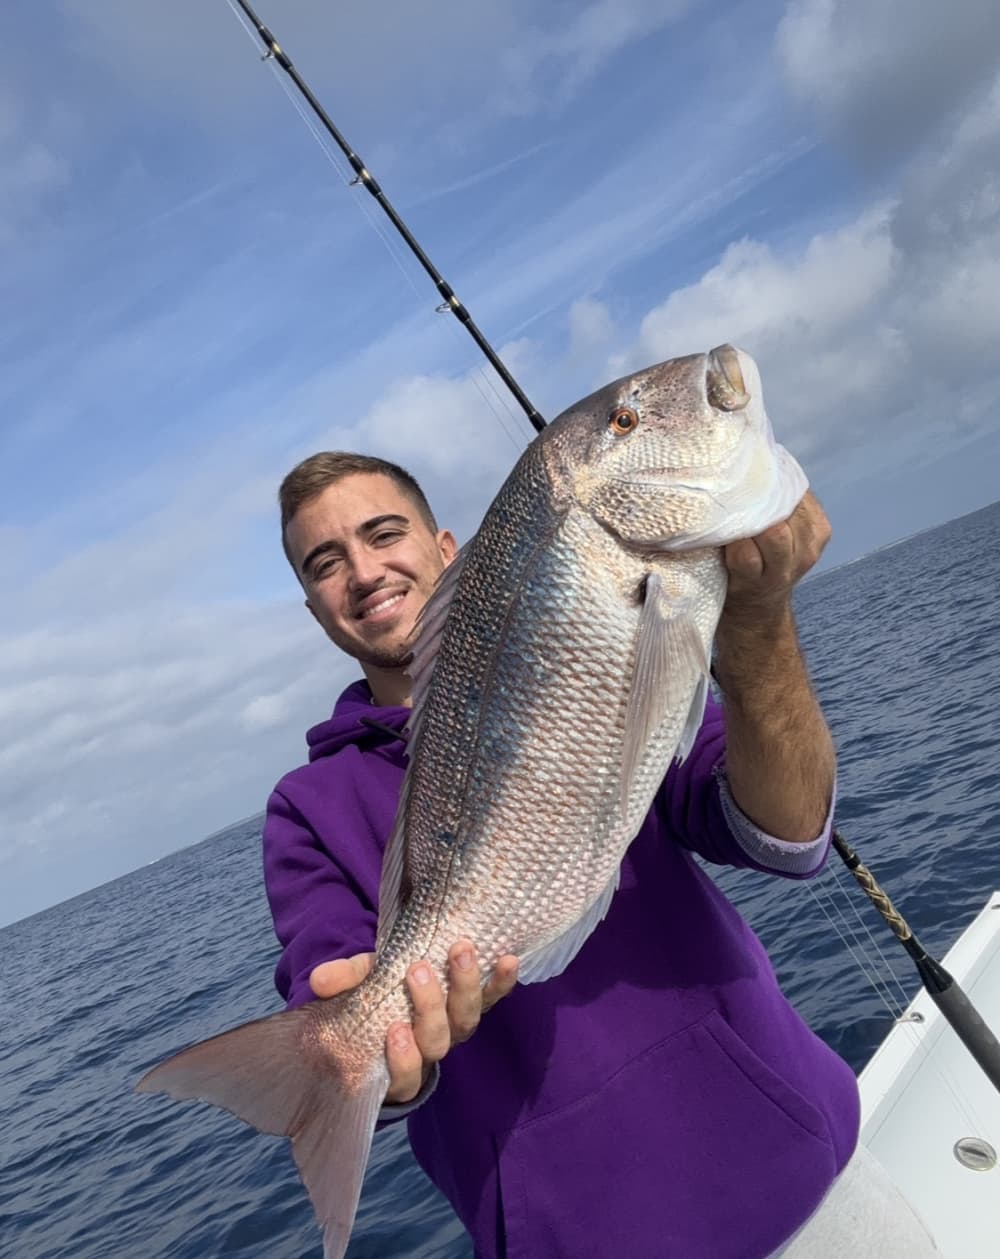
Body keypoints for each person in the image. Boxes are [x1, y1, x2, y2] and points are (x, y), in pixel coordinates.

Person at [263, 451, 938, 1258]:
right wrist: (370, 1053)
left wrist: (759, 622)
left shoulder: (583, 660)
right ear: (314, 608)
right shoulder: (305, 809)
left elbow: (788, 837)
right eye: (325, 562)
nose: (365, 571)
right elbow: (334, 996)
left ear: (448, 550)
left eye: (383, 533)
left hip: (809, 1176)